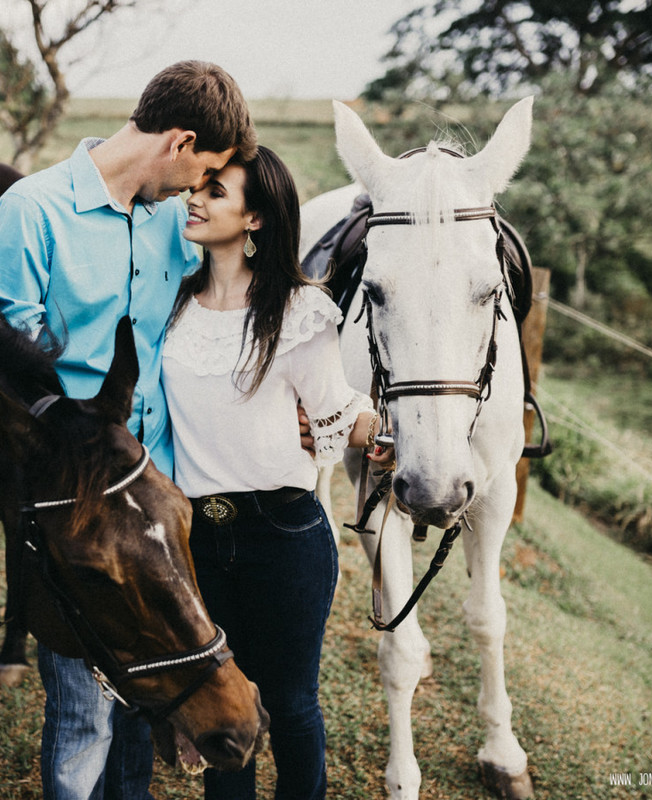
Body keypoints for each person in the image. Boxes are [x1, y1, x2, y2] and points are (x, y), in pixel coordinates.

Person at [0, 61, 257, 800]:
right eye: (204, 171)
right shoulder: (32, 213)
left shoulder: (173, 220)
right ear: (182, 141)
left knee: (155, 693)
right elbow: (6, 376)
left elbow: (222, 299)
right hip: (80, 510)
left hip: (158, 499)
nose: (200, 189)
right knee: (82, 713)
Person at [161, 146, 391, 800]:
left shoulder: (298, 311)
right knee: (224, 709)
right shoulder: (172, 305)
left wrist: (383, 432)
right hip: (197, 539)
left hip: (283, 535)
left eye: (216, 191)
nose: (195, 199)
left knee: (290, 704)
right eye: (196, 188)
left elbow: (339, 409)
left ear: (256, 219)